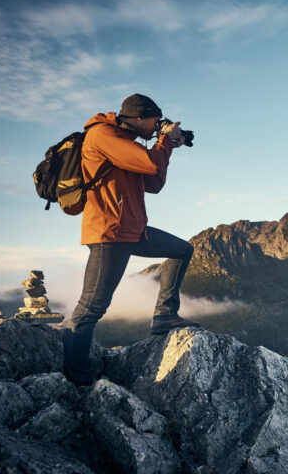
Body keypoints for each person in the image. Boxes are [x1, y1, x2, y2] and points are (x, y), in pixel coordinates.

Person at [62, 93, 199, 386]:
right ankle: (77, 380)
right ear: (137, 117)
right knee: (90, 308)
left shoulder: (127, 144)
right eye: (155, 120)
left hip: (133, 230)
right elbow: (150, 164)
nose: (157, 126)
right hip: (110, 233)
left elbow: (153, 182)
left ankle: (164, 316)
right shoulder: (103, 135)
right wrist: (163, 142)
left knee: (181, 250)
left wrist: (168, 146)